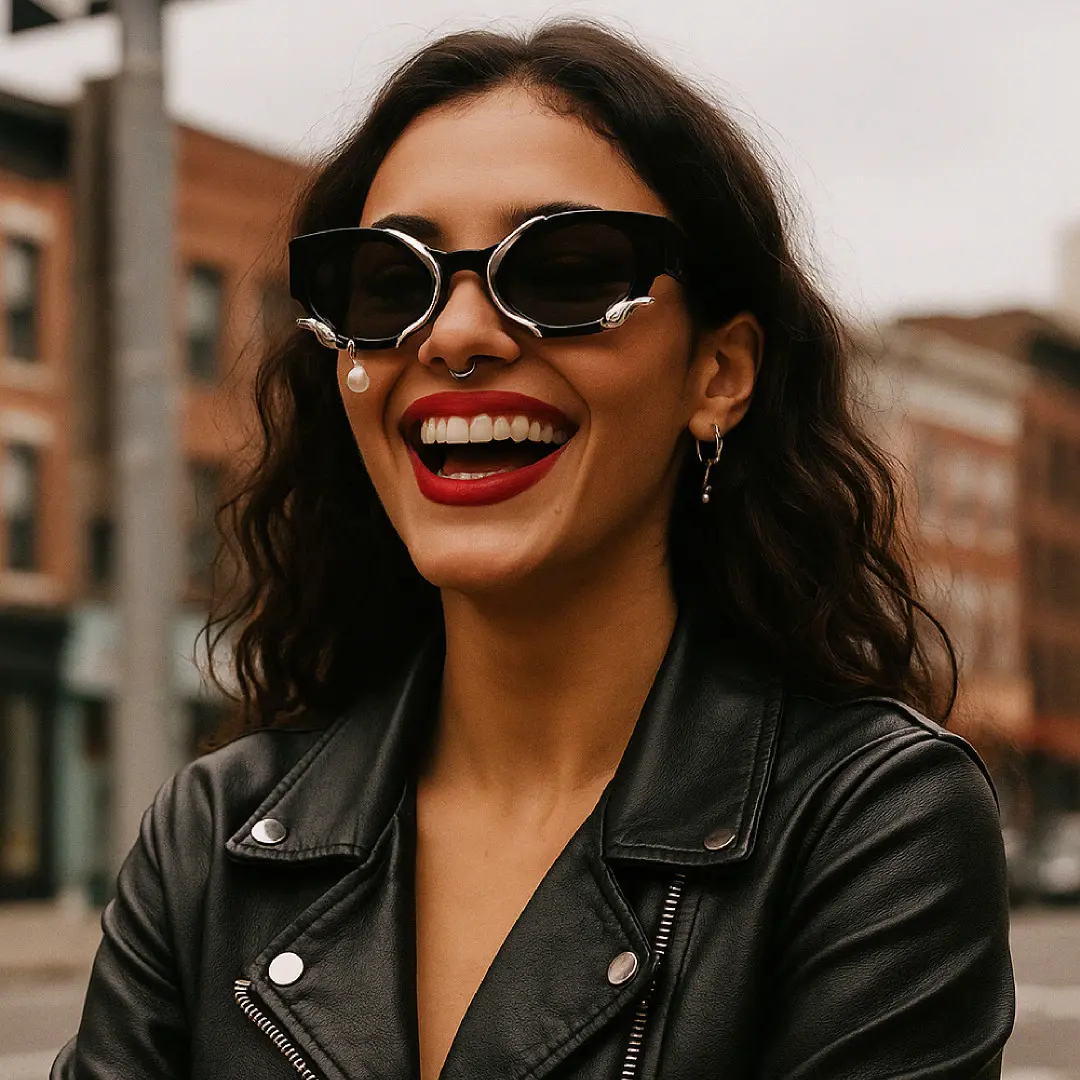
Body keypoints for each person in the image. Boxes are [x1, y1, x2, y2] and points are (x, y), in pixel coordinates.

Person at [54, 20, 1014, 1080]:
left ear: (718, 375)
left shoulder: (868, 823)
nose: (456, 334)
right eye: (387, 284)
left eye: (561, 270)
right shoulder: (214, 839)